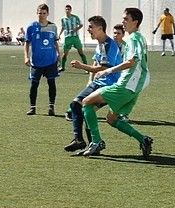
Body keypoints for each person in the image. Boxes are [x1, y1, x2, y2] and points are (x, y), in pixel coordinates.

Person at [79, 8, 153, 158]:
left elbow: (131, 61)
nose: (123, 22)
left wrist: (108, 71)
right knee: (111, 119)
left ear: (135, 22)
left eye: (126, 19)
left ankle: (96, 142)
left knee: (86, 102)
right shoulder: (140, 38)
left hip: (125, 86)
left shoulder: (132, 39)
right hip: (134, 88)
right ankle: (143, 139)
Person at [63, 16, 122, 154]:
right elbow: (96, 65)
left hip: (106, 83)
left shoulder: (108, 45)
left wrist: (81, 65)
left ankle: (78, 139)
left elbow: (103, 68)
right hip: (100, 83)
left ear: (100, 28)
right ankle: (94, 145)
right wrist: (90, 80)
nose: (88, 29)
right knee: (86, 111)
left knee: (75, 104)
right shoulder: (100, 44)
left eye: (91, 27)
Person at [64, 23, 126, 122]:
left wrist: (82, 66)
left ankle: (121, 114)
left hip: (112, 81)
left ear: (123, 35)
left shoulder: (124, 47)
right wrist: (90, 79)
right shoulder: (103, 44)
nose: (116, 35)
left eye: (118, 33)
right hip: (104, 80)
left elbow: (107, 67)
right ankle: (73, 113)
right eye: (114, 33)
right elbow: (96, 62)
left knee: (83, 105)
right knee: (86, 109)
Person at [24, 3, 60, 116]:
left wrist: (59, 53)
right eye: (40, 13)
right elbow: (26, 43)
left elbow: (55, 41)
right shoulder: (31, 27)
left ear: (48, 14)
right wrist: (26, 56)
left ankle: (51, 107)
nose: (42, 15)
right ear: (37, 13)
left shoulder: (53, 26)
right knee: (34, 84)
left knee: (51, 83)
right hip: (36, 61)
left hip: (51, 61)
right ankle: (32, 107)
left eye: (44, 13)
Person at [58, 4, 87, 72]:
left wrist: (75, 29)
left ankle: (86, 68)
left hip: (75, 37)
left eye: (69, 9)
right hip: (67, 38)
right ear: (65, 10)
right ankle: (62, 67)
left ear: (71, 10)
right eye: (66, 9)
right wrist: (59, 35)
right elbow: (63, 27)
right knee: (65, 54)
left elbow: (81, 25)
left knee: (81, 53)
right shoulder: (63, 19)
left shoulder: (75, 17)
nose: (67, 10)